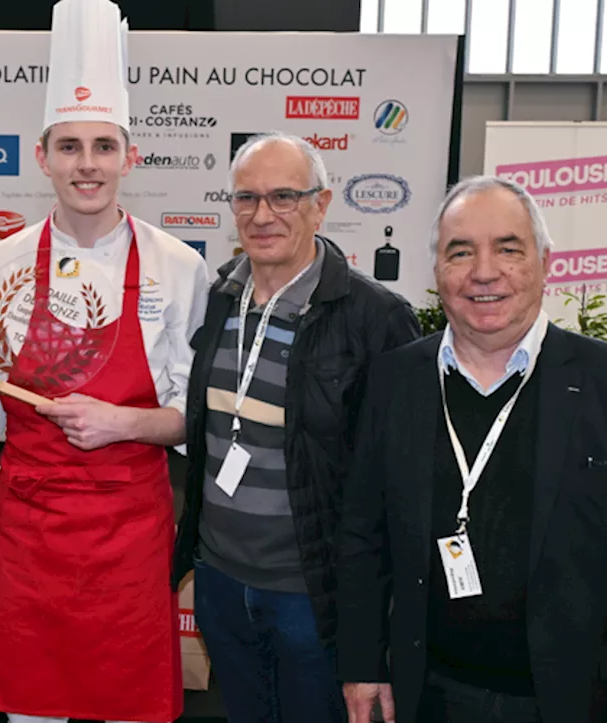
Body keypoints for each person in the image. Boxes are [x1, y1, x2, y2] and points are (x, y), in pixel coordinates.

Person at [0, 1, 210, 720]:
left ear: (130, 155)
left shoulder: (178, 266)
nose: (88, 164)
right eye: (69, 146)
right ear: (41, 156)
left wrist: (122, 423)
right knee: (30, 710)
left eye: (104, 145)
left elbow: (193, 418)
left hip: (129, 535)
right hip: (29, 531)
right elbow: (5, 408)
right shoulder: (1, 261)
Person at [337, 176, 607, 723]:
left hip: (570, 702)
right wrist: (363, 661)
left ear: (545, 262)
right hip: (428, 694)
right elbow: (363, 535)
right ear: (437, 271)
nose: (484, 272)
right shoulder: (395, 379)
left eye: (508, 248)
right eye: (461, 252)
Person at [170, 132, 421, 723]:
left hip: (314, 595)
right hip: (220, 582)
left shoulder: (375, 318)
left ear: (321, 204)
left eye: (284, 196)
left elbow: (401, 479)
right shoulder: (216, 299)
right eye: (246, 199)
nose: (262, 215)